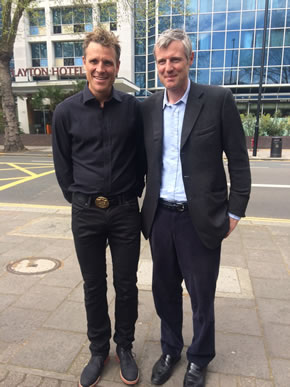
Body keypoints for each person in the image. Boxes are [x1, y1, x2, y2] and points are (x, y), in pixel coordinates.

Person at [141, 29, 251, 387]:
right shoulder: (148, 107)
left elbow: (238, 159)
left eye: (175, 59)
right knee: (164, 290)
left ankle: (200, 358)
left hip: (199, 220)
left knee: (202, 295)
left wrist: (234, 212)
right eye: (161, 61)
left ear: (190, 60)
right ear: (156, 66)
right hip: (161, 218)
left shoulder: (218, 100)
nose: (168, 67)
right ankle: (171, 349)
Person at [52, 27, 145, 387]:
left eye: (107, 62)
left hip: (124, 211)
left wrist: (131, 193)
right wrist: (80, 198)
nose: (101, 68)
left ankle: (125, 347)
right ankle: (97, 350)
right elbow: (63, 167)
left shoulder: (133, 110)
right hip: (86, 212)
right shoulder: (65, 113)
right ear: (84, 65)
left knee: (126, 284)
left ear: (117, 65)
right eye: (94, 61)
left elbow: (141, 160)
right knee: (93, 285)